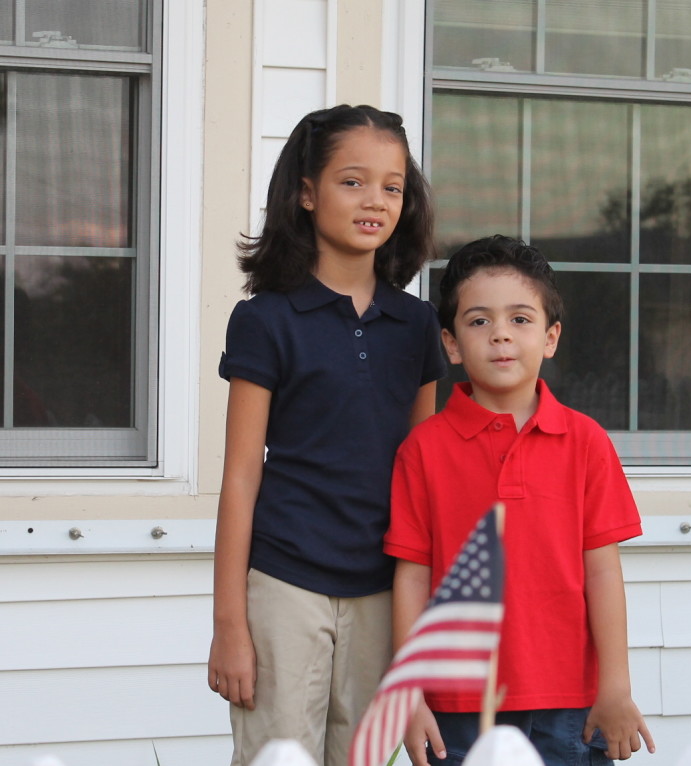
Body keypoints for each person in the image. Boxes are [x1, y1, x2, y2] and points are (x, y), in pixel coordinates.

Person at [208, 104, 447, 766]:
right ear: (306, 192)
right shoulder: (265, 320)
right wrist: (230, 623)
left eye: (392, 186)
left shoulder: (419, 325)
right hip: (285, 583)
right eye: (352, 181)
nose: (375, 200)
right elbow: (240, 474)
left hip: (383, 590)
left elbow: (420, 478)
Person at [385, 235, 656, 765]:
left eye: (521, 319)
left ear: (551, 337)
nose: (501, 335)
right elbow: (412, 577)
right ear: (452, 343)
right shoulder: (424, 450)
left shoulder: (586, 443)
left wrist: (616, 687)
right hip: (456, 705)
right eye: (479, 321)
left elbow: (602, 572)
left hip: (571, 706)